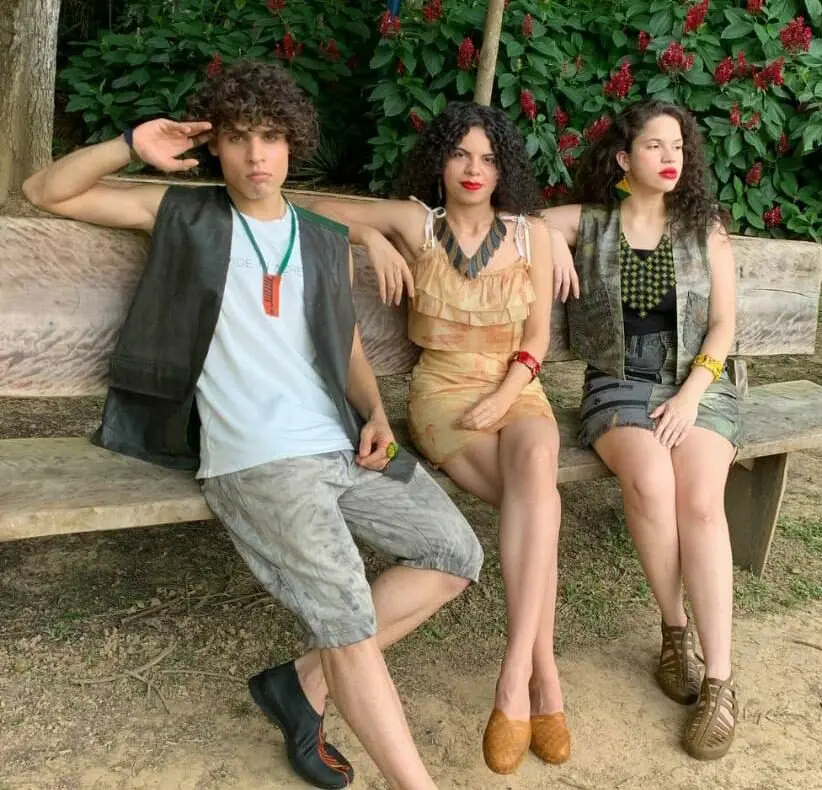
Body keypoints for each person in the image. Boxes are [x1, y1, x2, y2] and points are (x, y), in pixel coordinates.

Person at [22, 61, 485, 790]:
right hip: (258, 459)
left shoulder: (321, 238)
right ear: (216, 146)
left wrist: (375, 414)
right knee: (349, 622)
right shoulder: (183, 215)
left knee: (455, 555)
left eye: (270, 137)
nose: (256, 155)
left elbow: (347, 347)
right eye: (238, 137)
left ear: (291, 143)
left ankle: (299, 684)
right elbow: (44, 192)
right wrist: (130, 144)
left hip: (341, 441)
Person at [314, 102, 570, 776]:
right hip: (443, 396)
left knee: (537, 466)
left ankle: (518, 679)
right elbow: (304, 207)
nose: (474, 169)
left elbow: (538, 337)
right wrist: (367, 236)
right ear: (440, 161)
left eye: (488, 158)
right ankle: (544, 683)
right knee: (539, 503)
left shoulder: (532, 237)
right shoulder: (414, 224)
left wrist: (507, 394)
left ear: (504, 169)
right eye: (460, 154)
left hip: (518, 386)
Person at [542, 100, 739, 760]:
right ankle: (674, 631)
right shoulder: (593, 223)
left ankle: (719, 681)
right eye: (654, 146)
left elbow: (723, 325)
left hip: (698, 380)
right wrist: (554, 247)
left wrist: (691, 394)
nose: (670, 156)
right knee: (651, 484)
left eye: (677, 145)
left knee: (701, 504)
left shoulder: (704, 228)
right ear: (625, 158)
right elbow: (525, 224)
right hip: (618, 383)